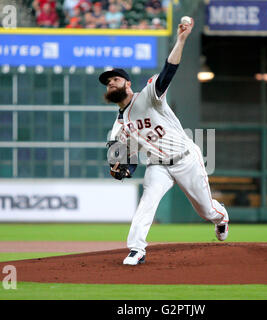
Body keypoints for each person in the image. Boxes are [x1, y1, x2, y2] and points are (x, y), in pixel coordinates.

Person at [98, 18, 229, 266]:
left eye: (115, 79)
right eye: (107, 82)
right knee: (147, 202)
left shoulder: (148, 97)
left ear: (127, 83)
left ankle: (221, 218)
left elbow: (168, 70)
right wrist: (121, 168)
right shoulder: (118, 126)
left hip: (186, 159)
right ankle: (136, 249)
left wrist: (181, 39)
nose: (111, 83)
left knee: (206, 211)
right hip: (158, 165)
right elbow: (126, 158)